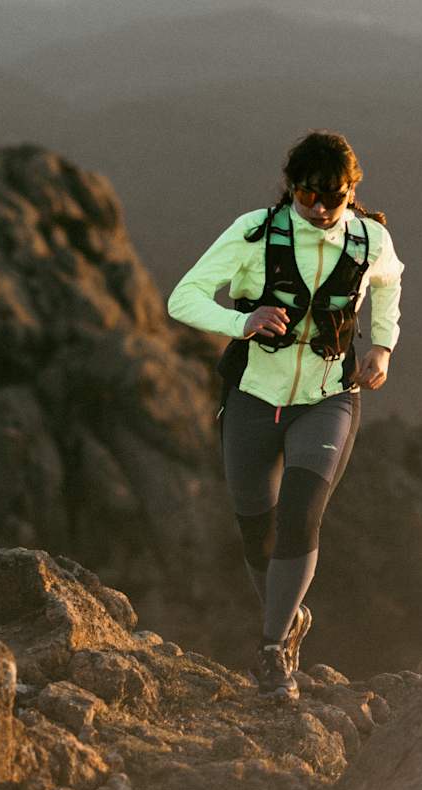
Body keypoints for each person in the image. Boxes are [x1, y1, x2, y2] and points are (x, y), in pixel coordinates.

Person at [167, 130, 404, 700]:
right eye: (307, 195)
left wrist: (381, 345)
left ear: (352, 189)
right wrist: (239, 322)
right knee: (258, 533)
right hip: (252, 395)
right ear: (291, 188)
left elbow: (391, 284)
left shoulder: (370, 239)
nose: (320, 208)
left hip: (329, 397)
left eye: (333, 196)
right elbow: (183, 297)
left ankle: (273, 651)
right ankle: (291, 616)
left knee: (301, 514)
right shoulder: (253, 233)